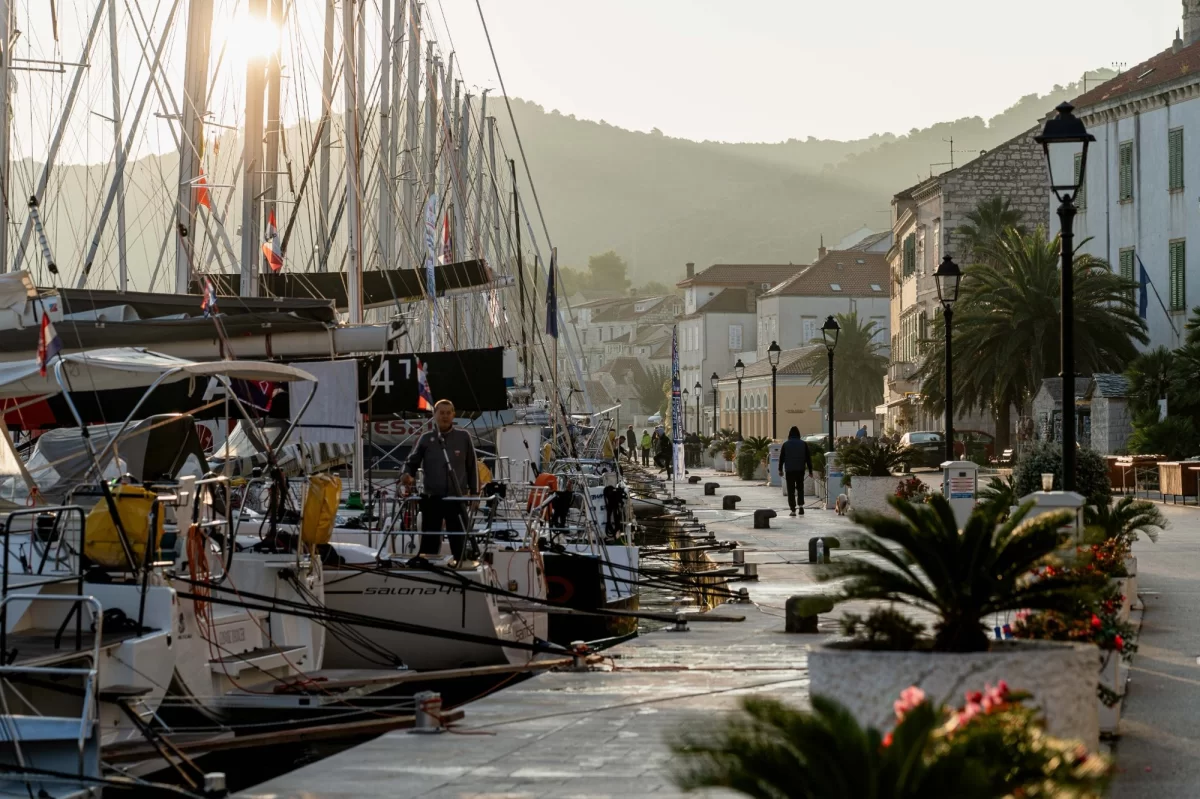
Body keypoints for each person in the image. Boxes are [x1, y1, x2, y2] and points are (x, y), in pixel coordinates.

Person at [402, 399, 478, 563]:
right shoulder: (425, 438)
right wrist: (406, 474)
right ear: (434, 415)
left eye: (448, 413)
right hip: (432, 497)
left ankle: (463, 565)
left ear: (453, 414)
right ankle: (427, 567)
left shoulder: (464, 437)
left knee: (458, 539)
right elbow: (411, 463)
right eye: (441, 413)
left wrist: (475, 493)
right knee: (429, 540)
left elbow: (472, 467)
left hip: (456, 498)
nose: (444, 416)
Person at [779, 426, 814, 517]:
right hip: (800, 470)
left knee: (790, 490)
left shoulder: (785, 444)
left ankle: (793, 510)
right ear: (798, 434)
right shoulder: (803, 444)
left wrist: (780, 470)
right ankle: (801, 507)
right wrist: (810, 471)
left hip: (789, 470)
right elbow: (808, 459)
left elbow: (781, 458)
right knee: (800, 488)